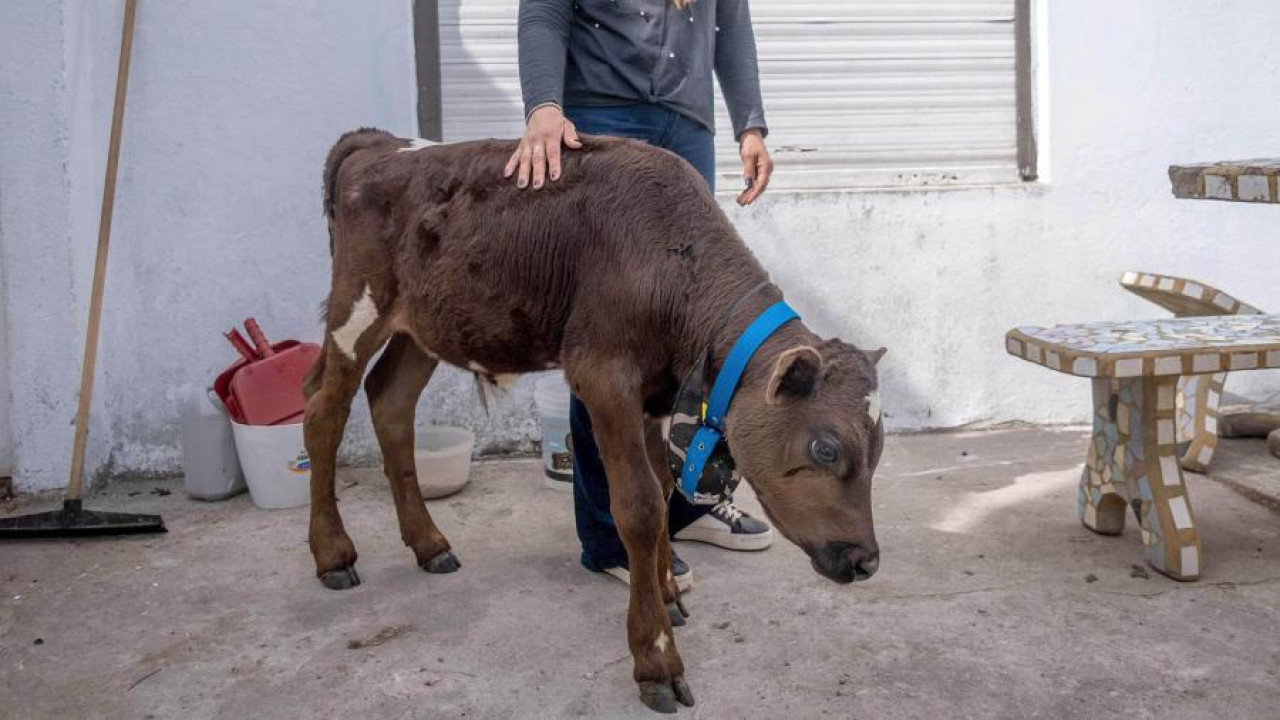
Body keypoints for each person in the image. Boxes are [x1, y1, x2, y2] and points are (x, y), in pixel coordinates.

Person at [510, 0, 774, 591]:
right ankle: (609, 535)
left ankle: (685, 505)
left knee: (692, 337)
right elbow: (544, 13)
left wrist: (749, 122)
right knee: (609, 341)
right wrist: (545, 106)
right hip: (604, 121)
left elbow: (730, 23)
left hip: (686, 126)